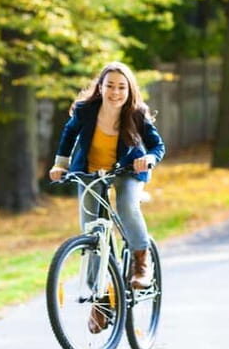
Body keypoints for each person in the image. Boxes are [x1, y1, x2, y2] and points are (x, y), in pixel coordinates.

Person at [49, 61, 165, 333]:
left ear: (129, 90)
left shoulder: (136, 113)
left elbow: (157, 145)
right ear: (100, 88)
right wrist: (60, 165)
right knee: (92, 233)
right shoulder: (85, 110)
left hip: (127, 171)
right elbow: (68, 135)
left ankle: (141, 262)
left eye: (121, 87)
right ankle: (100, 300)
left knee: (126, 206)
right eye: (110, 85)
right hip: (90, 172)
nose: (115, 92)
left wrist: (148, 158)